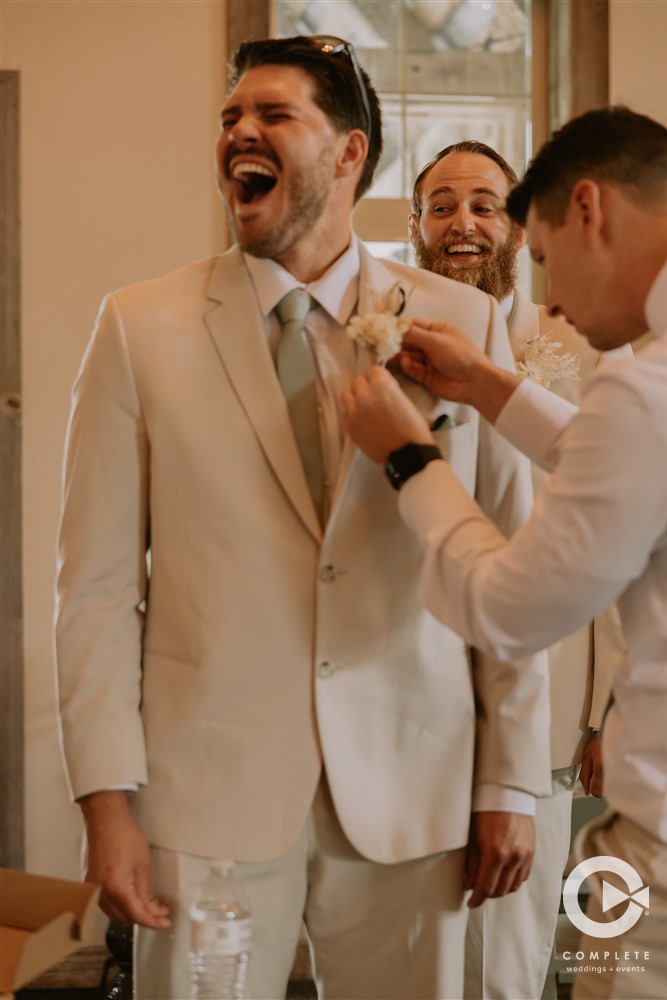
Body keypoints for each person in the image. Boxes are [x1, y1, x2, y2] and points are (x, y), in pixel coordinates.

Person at [54, 35, 551, 1000]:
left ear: (349, 154)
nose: (241, 131)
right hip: (207, 802)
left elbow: (510, 576)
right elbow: (97, 591)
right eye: (231, 118)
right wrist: (106, 804)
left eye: (274, 115)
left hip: (421, 796)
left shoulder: (463, 326)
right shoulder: (138, 327)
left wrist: (508, 783)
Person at [343, 106, 667, 1000]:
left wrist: (409, 459)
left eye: (546, 256)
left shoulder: (639, 385)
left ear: (588, 210)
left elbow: (507, 610)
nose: (551, 297)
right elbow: (644, 477)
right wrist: (491, 386)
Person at [408, 139, 629, 1000]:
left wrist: (609, 704)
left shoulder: (581, 345)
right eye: (441, 205)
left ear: (516, 225)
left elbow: (622, 534)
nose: (461, 223)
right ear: (417, 226)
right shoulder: (384, 333)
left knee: (513, 952)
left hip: (551, 695)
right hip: (415, 683)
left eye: (483, 204)